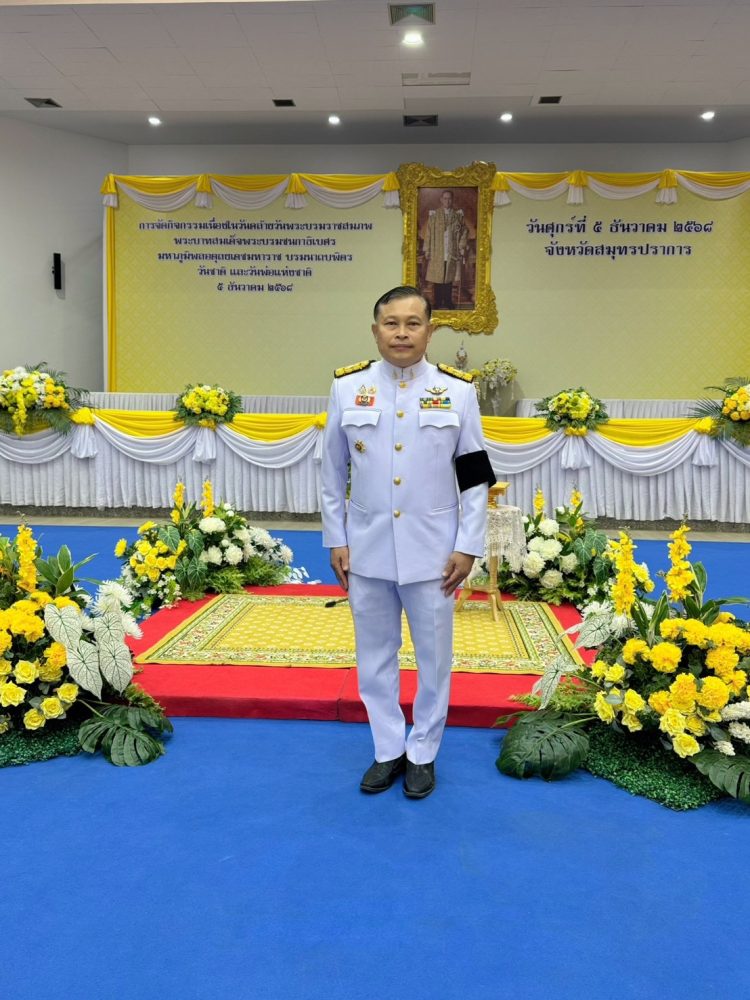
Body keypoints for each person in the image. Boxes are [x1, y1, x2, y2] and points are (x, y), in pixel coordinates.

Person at [320, 285, 496, 798]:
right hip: (366, 547)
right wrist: (336, 537)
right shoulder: (347, 388)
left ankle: (422, 751)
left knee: (434, 658)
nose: (402, 333)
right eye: (391, 323)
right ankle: (386, 748)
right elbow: (331, 471)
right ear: (376, 330)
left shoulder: (457, 392)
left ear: (430, 331)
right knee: (374, 656)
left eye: (413, 323)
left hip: (435, 552)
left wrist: (468, 544)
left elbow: (474, 476)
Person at [422, 190, 469, 309]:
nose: (447, 201)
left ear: (452, 200)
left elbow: (464, 231)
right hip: (437, 250)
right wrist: (427, 249)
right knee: (438, 277)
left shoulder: (458, 215)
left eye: (449, 198)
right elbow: (428, 233)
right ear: (441, 200)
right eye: (445, 198)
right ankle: (438, 301)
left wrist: (461, 245)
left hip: (451, 250)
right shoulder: (434, 215)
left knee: (448, 277)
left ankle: (448, 301)